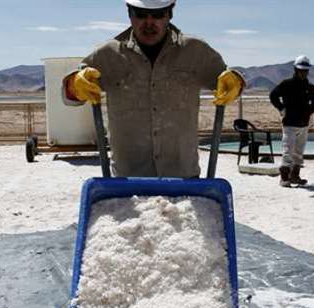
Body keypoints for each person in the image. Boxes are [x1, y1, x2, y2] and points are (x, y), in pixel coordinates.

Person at [62, 0, 245, 178]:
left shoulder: (196, 52)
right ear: (129, 13)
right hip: (127, 181)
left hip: (183, 178)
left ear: (170, 14)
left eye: (158, 15)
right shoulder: (108, 55)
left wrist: (236, 83)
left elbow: (227, 81)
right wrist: (74, 86)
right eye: (140, 15)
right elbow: (69, 97)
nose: (149, 23)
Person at [269, 55, 314, 187]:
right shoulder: (286, 84)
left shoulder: (310, 87)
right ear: (295, 70)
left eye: (306, 70)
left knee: (298, 152)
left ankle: (295, 176)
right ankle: (284, 178)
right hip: (289, 124)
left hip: (303, 124)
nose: (303, 73)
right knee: (288, 151)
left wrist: (309, 112)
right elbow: (273, 95)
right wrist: (281, 108)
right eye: (301, 70)